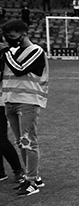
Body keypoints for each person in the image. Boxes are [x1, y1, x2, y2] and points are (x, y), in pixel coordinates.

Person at [1, 20, 48, 196]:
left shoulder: (36, 51)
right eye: (7, 37)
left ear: (23, 34)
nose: (9, 40)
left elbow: (19, 69)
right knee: (20, 142)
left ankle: (31, 182)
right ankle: (34, 177)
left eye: (12, 36)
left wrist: (5, 52)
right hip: (10, 100)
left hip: (28, 100)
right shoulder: (12, 52)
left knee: (28, 141)